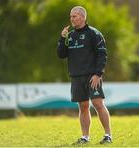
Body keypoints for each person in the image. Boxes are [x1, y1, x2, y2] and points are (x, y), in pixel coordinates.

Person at [57, 6, 112, 145]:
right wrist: (62, 38)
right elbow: (61, 54)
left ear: (83, 17)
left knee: (98, 104)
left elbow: (102, 55)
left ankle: (108, 135)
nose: (71, 19)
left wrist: (98, 74)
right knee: (83, 106)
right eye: (71, 16)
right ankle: (85, 137)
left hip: (92, 76)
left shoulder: (94, 34)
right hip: (76, 76)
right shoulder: (70, 36)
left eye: (74, 16)